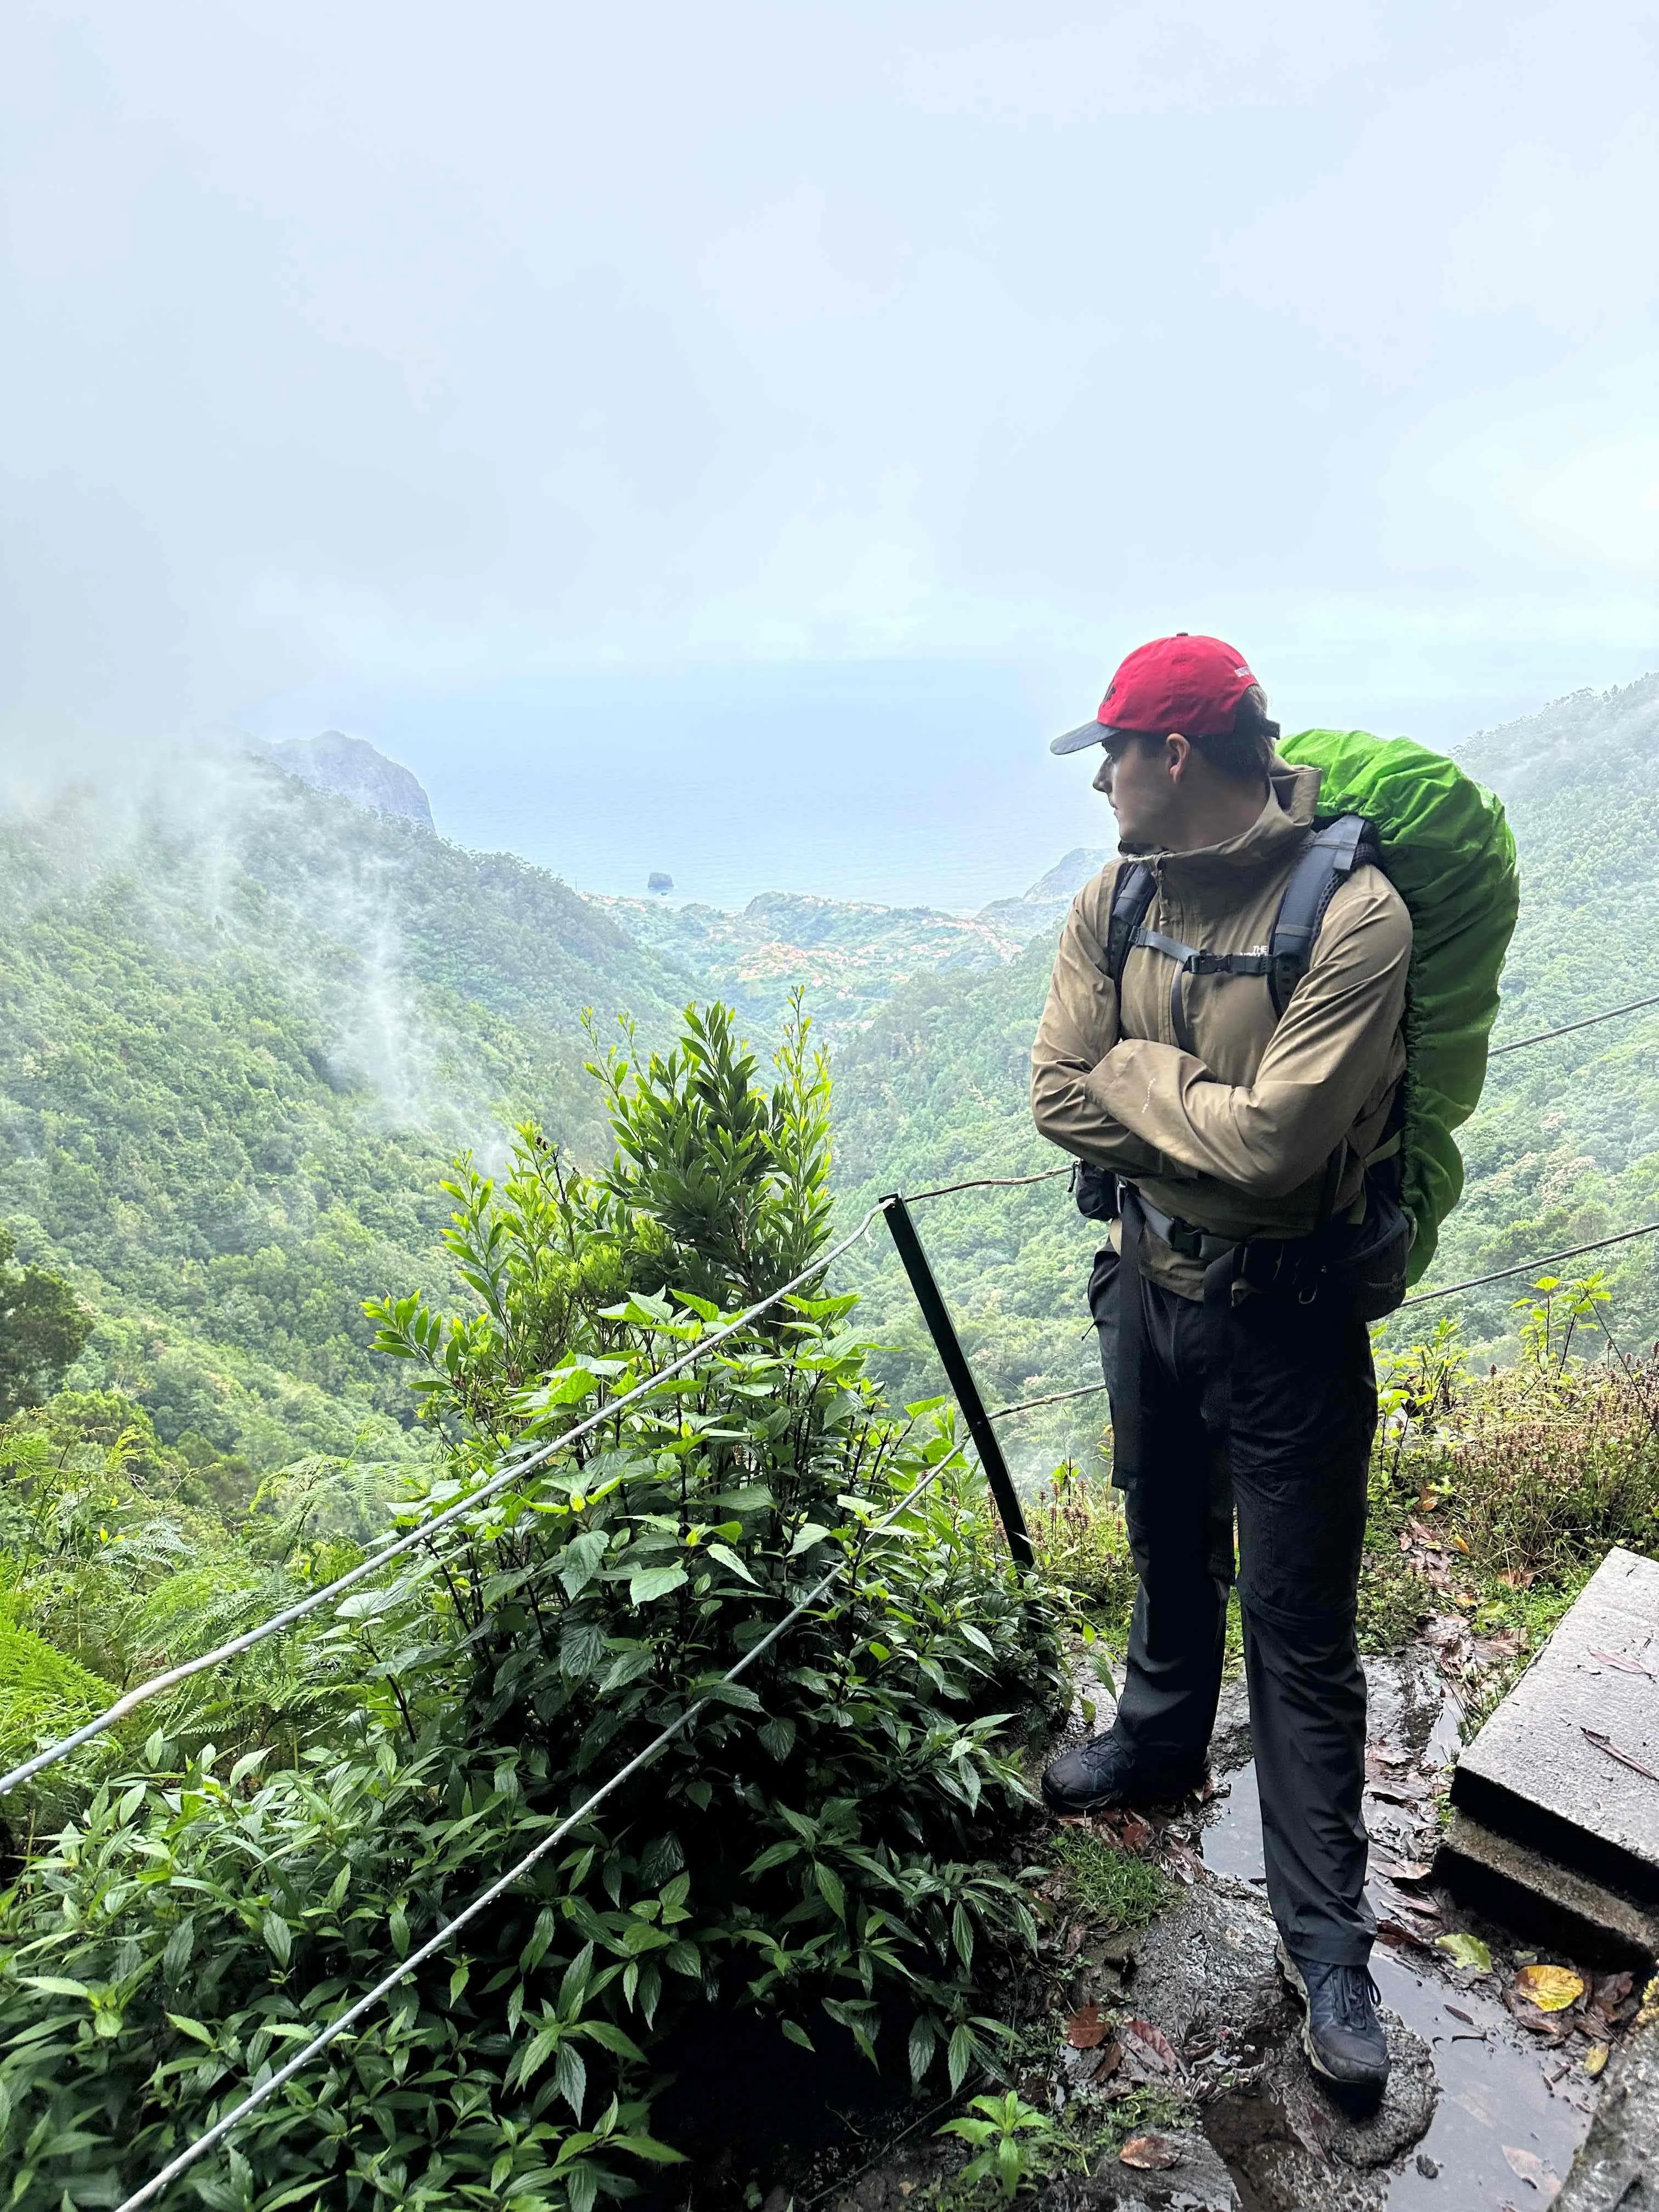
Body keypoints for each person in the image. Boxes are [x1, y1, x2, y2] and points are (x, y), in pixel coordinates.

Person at [1029, 633, 1411, 2097]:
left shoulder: (1354, 915)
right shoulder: (1112, 898)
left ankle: (1327, 1948)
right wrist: (1185, 1106)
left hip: (1292, 1322)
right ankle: (1157, 1736)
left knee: (1303, 1633)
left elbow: (1279, 1147)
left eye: (1112, 753)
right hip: (1148, 1290)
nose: (1104, 781)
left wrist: (1140, 1085)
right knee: (1163, 1543)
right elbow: (1058, 1093)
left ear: (1174, 756)